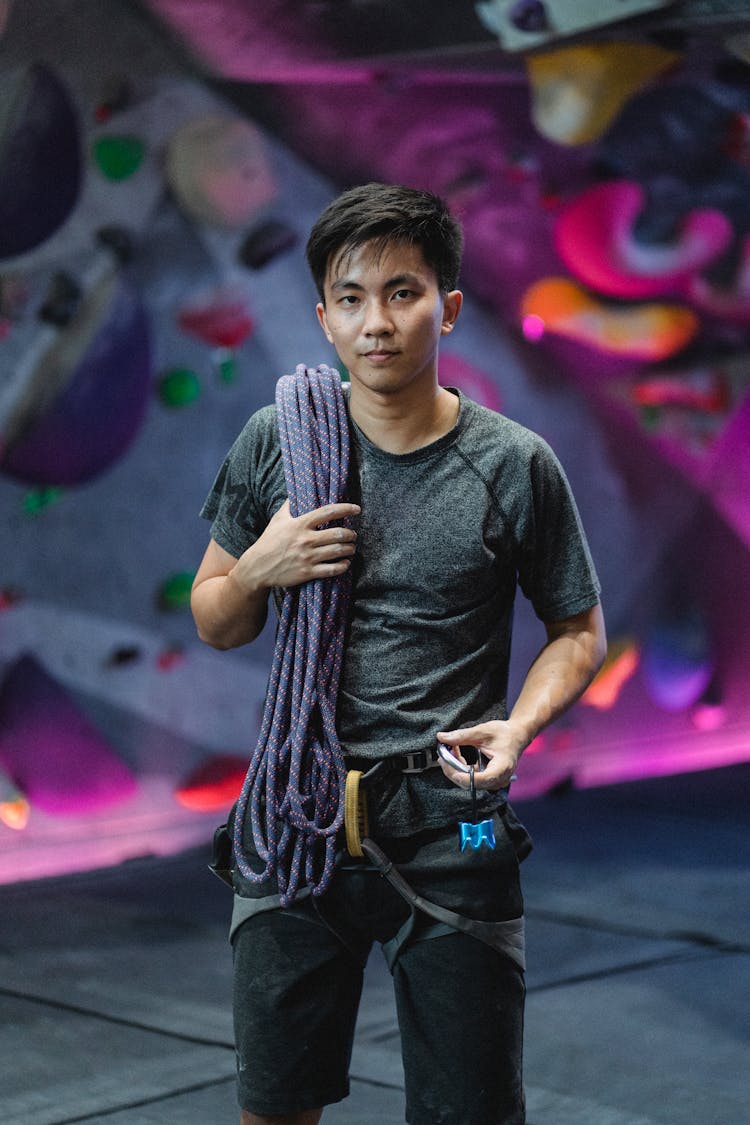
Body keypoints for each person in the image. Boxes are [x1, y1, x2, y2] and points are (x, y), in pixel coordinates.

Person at [191, 182, 606, 1125]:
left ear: (448, 308)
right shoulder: (279, 443)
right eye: (351, 297)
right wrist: (262, 564)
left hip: (451, 818)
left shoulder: (513, 463)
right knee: (274, 1107)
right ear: (324, 316)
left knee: (472, 1113)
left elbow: (579, 630)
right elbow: (216, 616)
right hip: (296, 816)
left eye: (403, 292)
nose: (376, 321)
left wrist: (524, 725)